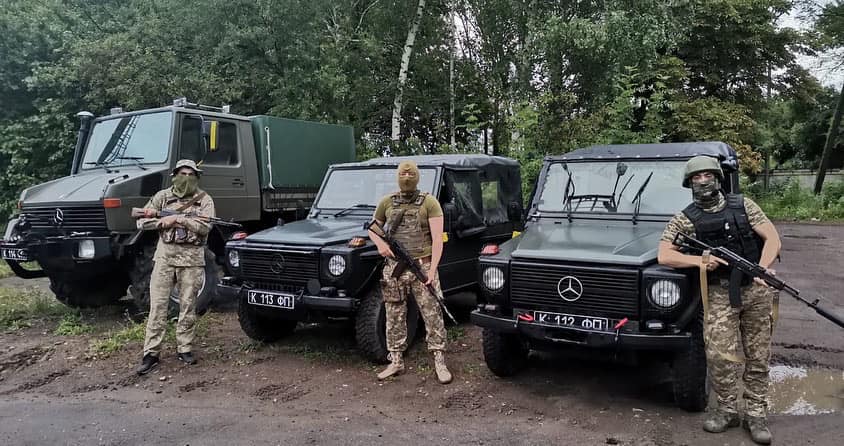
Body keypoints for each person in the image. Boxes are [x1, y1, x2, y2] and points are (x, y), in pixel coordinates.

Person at [657, 156, 781, 445]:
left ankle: (756, 413)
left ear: (717, 178)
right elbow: (664, 254)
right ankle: (727, 409)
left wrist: (761, 267)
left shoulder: (744, 205)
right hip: (719, 293)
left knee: (758, 355)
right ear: (689, 183)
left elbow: (773, 239)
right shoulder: (685, 218)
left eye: (707, 175)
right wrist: (700, 260)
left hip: (756, 290)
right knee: (719, 355)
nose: (703, 181)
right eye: (696, 177)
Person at [368, 161, 452, 384]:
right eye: (403, 175)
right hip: (395, 269)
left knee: (432, 314)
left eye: (410, 175)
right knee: (394, 314)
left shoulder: (429, 202)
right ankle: (396, 360)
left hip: (422, 266)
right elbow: (372, 228)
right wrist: (380, 244)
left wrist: (431, 271)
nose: (406, 178)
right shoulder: (387, 202)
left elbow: (437, 240)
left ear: (417, 177)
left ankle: (439, 360)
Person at [135, 159, 216, 375]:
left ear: (197, 177)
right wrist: (163, 222)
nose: (186, 178)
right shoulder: (162, 197)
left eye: (191, 175)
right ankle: (151, 353)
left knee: (188, 306)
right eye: (182, 174)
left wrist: (182, 220)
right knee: (158, 307)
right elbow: (141, 221)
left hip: (192, 260)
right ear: (174, 176)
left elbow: (206, 226)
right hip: (165, 259)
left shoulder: (204, 199)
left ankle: (185, 348)